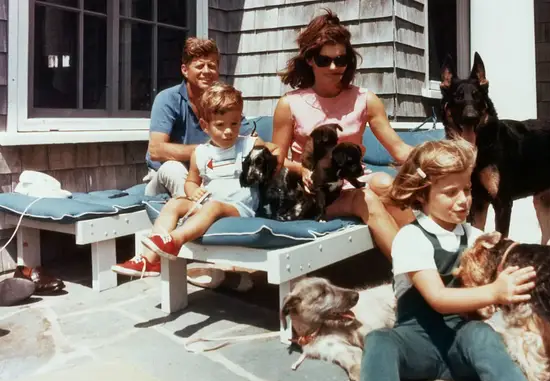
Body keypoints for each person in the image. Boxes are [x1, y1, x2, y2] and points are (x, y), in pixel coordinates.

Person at [360, 139, 537, 381]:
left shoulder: (474, 236)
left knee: (482, 334)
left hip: (459, 341)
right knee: (379, 341)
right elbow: (438, 298)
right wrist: (494, 293)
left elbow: (509, 257)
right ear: (422, 195)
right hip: (417, 342)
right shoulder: (411, 238)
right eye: (451, 192)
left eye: (467, 189)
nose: (463, 200)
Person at [272, 9, 415, 259]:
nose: (335, 66)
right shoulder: (290, 104)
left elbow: (399, 149)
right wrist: (302, 170)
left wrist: (439, 163)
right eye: (325, 60)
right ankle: (416, 275)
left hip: (353, 181)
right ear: (309, 60)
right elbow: (277, 160)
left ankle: (431, 257)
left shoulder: (365, 99)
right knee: (366, 199)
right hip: (314, 192)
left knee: (386, 184)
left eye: (341, 59)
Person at [113, 83, 279, 284]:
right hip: (208, 201)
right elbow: (192, 180)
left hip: (238, 207)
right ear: (204, 125)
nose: (228, 131)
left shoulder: (249, 144)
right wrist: (193, 191)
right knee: (175, 203)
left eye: (234, 124)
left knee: (213, 206)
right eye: (220, 125)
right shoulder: (200, 153)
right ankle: (149, 260)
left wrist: (286, 163)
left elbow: (276, 151)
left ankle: (173, 241)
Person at [143, 37, 254, 198]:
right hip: (164, 177)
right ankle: (196, 210)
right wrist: (207, 151)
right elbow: (156, 150)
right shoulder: (168, 99)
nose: (207, 71)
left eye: (212, 65)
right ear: (185, 70)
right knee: (173, 168)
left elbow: (247, 138)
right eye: (200, 66)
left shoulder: (222, 102)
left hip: (209, 175)